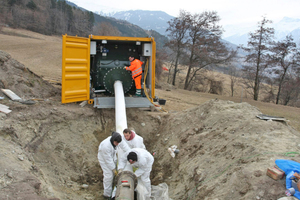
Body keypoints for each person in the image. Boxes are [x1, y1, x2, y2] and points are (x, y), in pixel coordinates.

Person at [97, 132, 122, 199]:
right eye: (117, 143)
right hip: (104, 160)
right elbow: (108, 160)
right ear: (113, 140)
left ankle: (112, 187)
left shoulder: (113, 142)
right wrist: (113, 169)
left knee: (112, 175)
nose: (117, 144)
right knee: (109, 176)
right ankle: (107, 194)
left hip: (111, 157)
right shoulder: (105, 146)